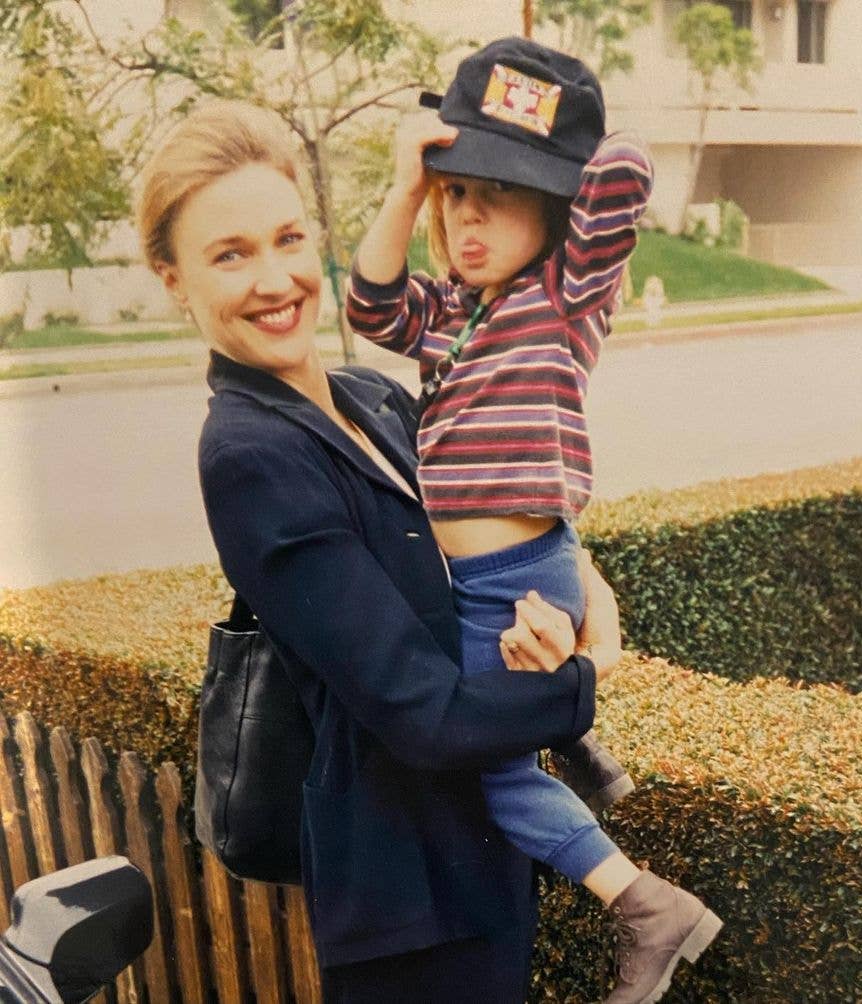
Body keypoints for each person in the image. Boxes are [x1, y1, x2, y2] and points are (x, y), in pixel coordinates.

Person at [136, 98, 625, 1004]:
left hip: (484, 856)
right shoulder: (250, 456)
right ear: (173, 279)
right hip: (410, 913)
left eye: (287, 239)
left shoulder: (376, 401)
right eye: (229, 254)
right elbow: (419, 710)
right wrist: (587, 677)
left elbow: (493, 541)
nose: (276, 279)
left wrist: (567, 600)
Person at [346, 37, 722, 1004]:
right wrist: (402, 182)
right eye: (457, 195)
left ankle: (644, 905)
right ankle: (583, 746)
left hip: (516, 580)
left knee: (485, 769)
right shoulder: (458, 313)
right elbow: (371, 306)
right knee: (491, 742)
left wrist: (534, 120)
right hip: (478, 581)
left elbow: (626, 170)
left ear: (552, 206)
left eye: (502, 195)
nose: (471, 219)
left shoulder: (564, 296)